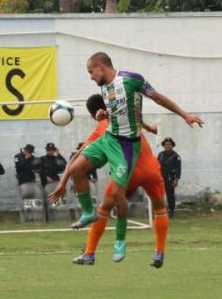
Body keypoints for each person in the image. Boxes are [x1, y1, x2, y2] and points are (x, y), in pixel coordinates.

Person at [69, 52, 203, 262]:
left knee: (115, 196)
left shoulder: (131, 80)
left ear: (100, 66)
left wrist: (185, 114)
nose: (90, 77)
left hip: (127, 148)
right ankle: (88, 214)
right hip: (110, 140)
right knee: (77, 169)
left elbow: (157, 97)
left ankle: (116, 242)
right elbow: (124, 113)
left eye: (90, 72)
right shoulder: (105, 88)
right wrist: (104, 115)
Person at [49, 94, 169, 267]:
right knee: (160, 208)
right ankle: (159, 252)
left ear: (93, 115)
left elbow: (76, 157)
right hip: (151, 168)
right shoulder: (124, 118)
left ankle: (89, 253)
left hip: (128, 172)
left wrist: (62, 183)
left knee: (104, 209)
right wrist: (149, 128)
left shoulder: (102, 128)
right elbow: (137, 118)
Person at [157, 137, 181, 218]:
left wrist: (176, 179)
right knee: (159, 194)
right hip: (161, 177)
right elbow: (157, 165)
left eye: (169, 144)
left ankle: (171, 210)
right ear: (164, 146)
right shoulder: (160, 155)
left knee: (170, 195)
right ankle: (160, 210)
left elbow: (178, 168)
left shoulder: (176, 156)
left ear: (172, 146)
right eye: (166, 144)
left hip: (170, 178)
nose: (167, 146)